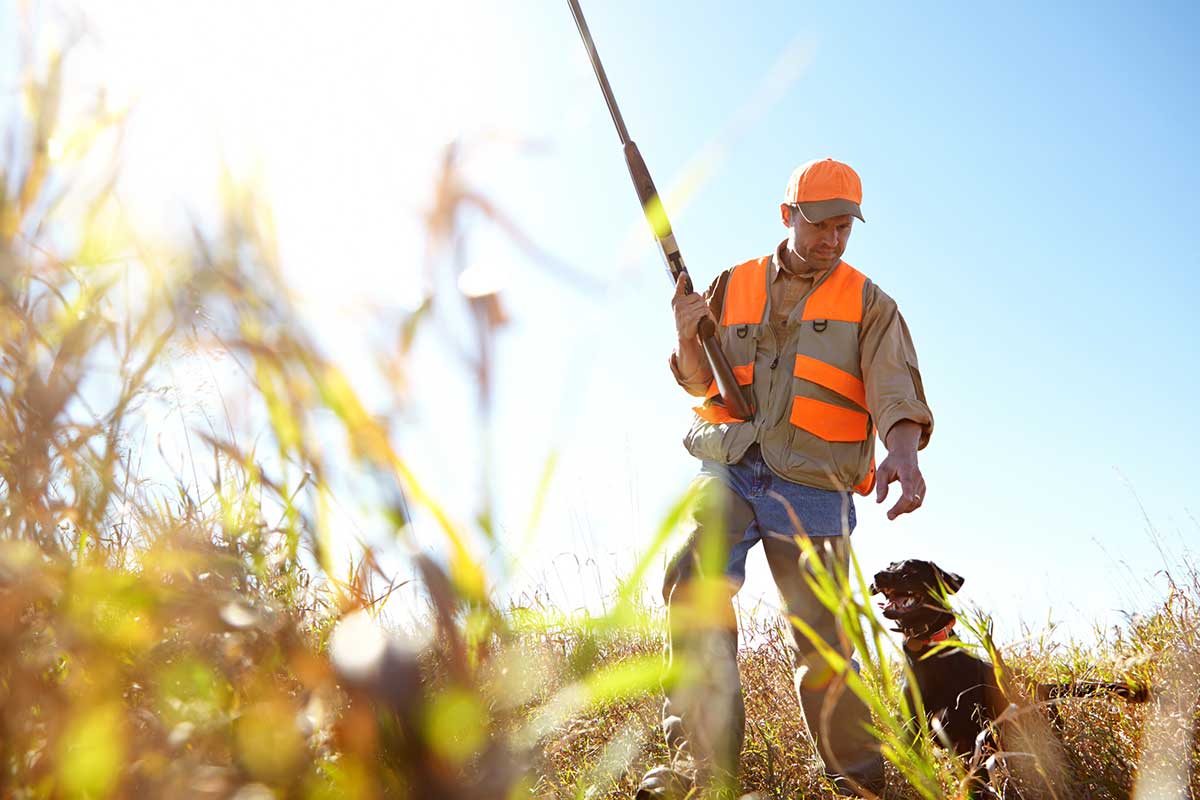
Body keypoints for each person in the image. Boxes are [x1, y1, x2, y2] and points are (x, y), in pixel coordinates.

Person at [636, 158, 933, 799]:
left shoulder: (869, 303)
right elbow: (697, 379)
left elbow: (896, 388)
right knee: (694, 584)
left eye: (844, 228)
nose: (832, 239)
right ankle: (703, 773)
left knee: (824, 642)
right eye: (820, 224)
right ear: (788, 215)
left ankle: (857, 784)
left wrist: (903, 453)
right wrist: (686, 336)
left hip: (815, 487)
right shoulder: (731, 283)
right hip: (732, 465)